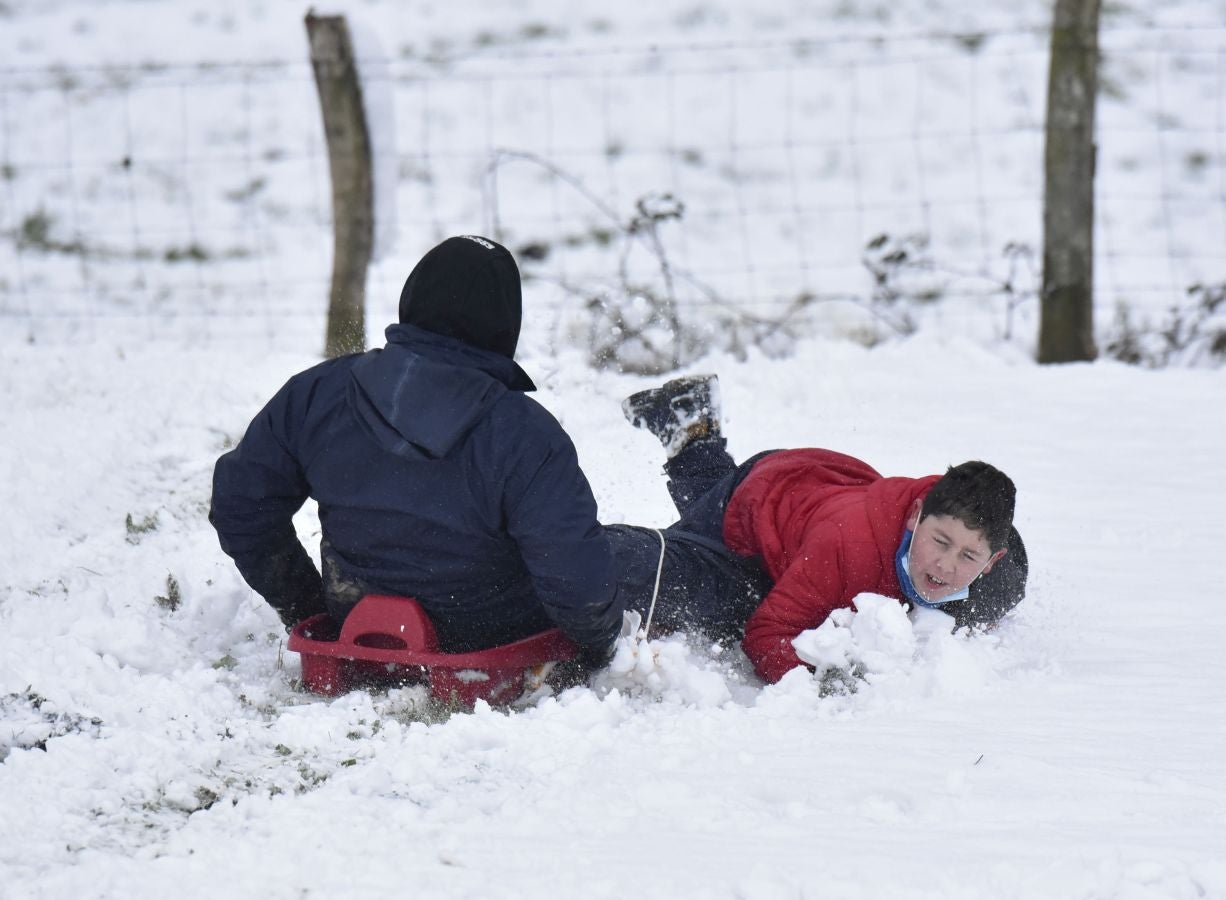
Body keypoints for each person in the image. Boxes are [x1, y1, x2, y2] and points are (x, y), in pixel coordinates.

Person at [209, 235, 623, 666]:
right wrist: (599, 649)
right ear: (504, 324)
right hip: (492, 634)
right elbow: (580, 586)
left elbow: (241, 505)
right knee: (632, 554)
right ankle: (696, 471)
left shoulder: (317, 394)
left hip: (359, 618)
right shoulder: (524, 432)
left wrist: (309, 608)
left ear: (413, 298)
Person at [608, 374, 1028, 683]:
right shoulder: (847, 553)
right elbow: (764, 635)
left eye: (968, 556)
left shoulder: (995, 577)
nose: (946, 564)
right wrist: (822, 680)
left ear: (993, 561)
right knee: (712, 597)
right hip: (752, 510)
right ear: (916, 516)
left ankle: (691, 420)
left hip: (817, 489)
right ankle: (584, 548)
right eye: (940, 542)